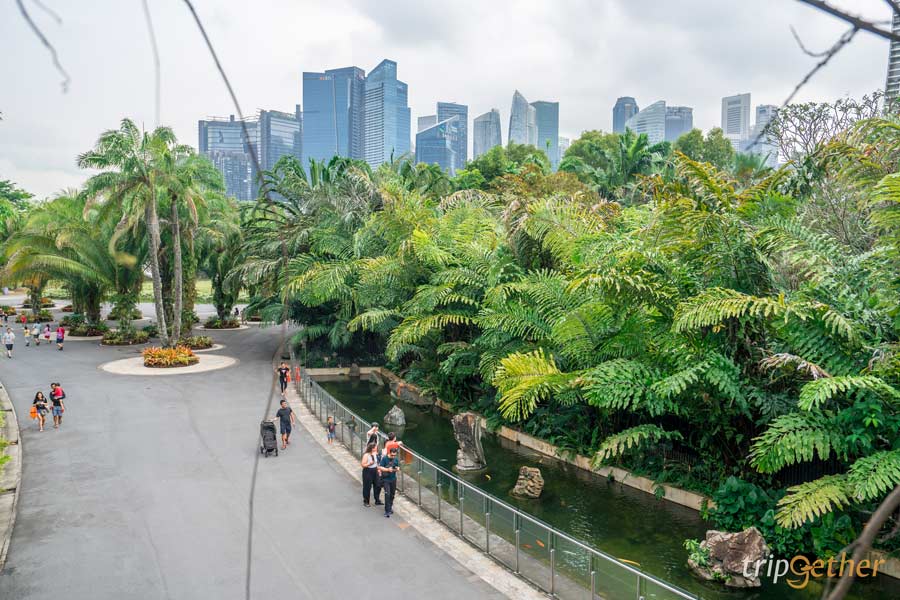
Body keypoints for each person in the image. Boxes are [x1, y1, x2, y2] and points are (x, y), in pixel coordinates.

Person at [378, 447, 400, 518]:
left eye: (394, 455)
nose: (393, 456)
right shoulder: (384, 458)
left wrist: (397, 468)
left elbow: (397, 466)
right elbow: (380, 467)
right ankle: (387, 511)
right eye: (392, 455)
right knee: (387, 494)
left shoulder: (396, 459)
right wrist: (387, 469)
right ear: (389, 453)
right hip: (386, 480)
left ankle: (390, 507)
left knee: (392, 494)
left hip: (393, 479)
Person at [360, 441, 383, 507]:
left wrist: (378, 469)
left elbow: (377, 463)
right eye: (375, 447)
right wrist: (369, 464)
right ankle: (366, 501)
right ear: (372, 448)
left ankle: (377, 500)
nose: (376, 448)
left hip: (375, 470)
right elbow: (363, 464)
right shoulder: (366, 455)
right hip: (368, 471)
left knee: (378, 485)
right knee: (367, 487)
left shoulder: (375, 453)